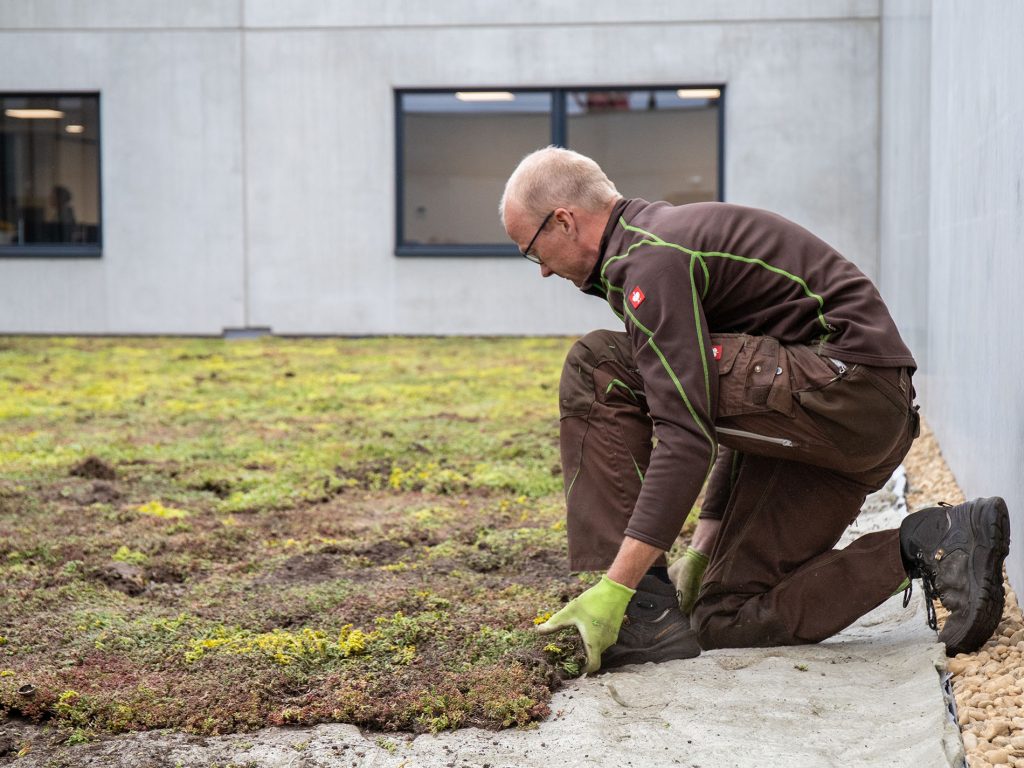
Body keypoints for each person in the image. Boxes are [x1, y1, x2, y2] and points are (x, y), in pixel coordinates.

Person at [499, 146, 1010, 674]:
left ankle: (638, 613)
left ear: (563, 220)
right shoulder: (656, 247)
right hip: (836, 425)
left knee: (599, 364)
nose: (541, 271)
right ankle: (934, 540)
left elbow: (688, 431)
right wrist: (702, 547)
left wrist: (621, 586)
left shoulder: (652, 260)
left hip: (847, 391)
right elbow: (739, 408)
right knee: (725, 616)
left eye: (531, 252)